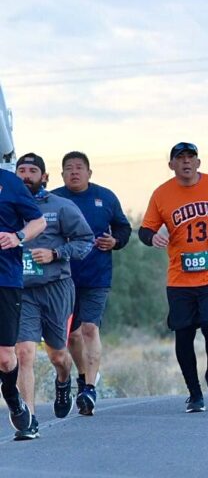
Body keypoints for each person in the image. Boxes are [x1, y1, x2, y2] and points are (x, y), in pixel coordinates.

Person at [139, 143, 208, 412]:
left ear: (198, 162)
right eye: (180, 158)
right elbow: (144, 230)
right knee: (183, 334)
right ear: (171, 165)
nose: (186, 162)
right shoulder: (162, 194)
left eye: (191, 158)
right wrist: (154, 237)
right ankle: (194, 392)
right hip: (180, 277)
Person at [14, 153, 93, 439]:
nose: (26, 175)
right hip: (21, 291)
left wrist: (56, 253)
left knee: (58, 355)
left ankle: (63, 380)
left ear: (44, 177)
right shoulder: (6, 208)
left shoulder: (61, 207)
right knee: (24, 353)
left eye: (32, 171)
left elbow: (86, 241)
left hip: (56, 288)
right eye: (21, 170)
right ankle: (28, 420)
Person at [52, 151, 132, 415]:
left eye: (79, 168)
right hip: (62, 277)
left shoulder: (105, 197)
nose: (74, 172)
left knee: (89, 329)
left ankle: (89, 390)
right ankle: (84, 375)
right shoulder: (55, 199)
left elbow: (123, 228)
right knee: (71, 336)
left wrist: (115, 241)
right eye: (69, 168)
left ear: (89, 172)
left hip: (97, 275)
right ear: (62, 174)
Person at [0, 162, 46, 437]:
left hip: (5, 278)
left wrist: (17, 237)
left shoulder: (10, 183)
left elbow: (38, 222)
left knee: (5, 358)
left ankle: (14, 400)